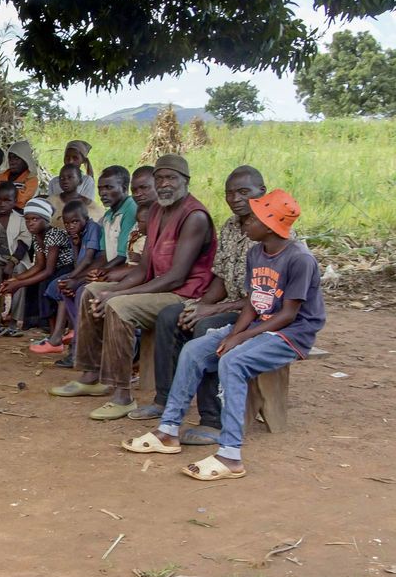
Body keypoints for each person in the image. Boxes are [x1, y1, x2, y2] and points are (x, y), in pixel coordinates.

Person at [122, 189, 325, 481]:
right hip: (262, 324)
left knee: (232, 362)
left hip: (290, 335)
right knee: (194, 351)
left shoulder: (299, 260)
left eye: (252, 219)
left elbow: (288, 315)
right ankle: (168, 431)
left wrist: (240, 339)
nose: (245, 223)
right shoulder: (256, 252)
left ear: (269, 226)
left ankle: (230, 454)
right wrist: (234, 333)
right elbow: (255, 303)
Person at [56, 155, 216, 421]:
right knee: (92, 291)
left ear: (186, 181)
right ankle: (93, 375)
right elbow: (143, 270)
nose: (164, 184)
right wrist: (109, 289)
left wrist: (118, 294)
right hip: (157, 286)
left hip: (184, 294)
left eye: (171, 178)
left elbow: (176, 277)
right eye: (160, 178)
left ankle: (122, 395)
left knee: (119, 307)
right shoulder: (156, 212)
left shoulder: (194, 216)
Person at [129, 166, 269, 438]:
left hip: (257, 315)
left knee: (208, 329)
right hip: (229, 304)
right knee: (171, 315)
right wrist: (199, 305)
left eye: (243, 192)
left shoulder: (270, 231)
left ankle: (213, 420)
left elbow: (261, 299)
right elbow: (220, 277)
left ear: (261, 192)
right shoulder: (230, 226)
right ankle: (165, 399)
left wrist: (210, 311)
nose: (235, 199)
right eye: (230, 193)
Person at [33, 200, 102, 361]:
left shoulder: (93, 228)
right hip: (81, 272)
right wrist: (76, 245)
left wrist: (73, 278)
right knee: (58, 287)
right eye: (67, 223)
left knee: (68, 286)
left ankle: (68, 335)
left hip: (93, 273)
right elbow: (78, 261)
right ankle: (63, 333)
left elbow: (88, 259)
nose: (70, 226)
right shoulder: (75, 235)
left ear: (86, 218)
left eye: (75, 221)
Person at [0, 198, 74, 329]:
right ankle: (35, 321)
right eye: (27, 219)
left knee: (45, 283)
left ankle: (51, 326)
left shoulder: (53, 234)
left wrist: (18, 284)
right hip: (53, 268)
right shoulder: (37, 236)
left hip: (66, 268)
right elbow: (39, 265)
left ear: (46, 220)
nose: (30, 223)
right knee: (32, 285)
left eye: (35, 219)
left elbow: (48, 271)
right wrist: (14, 279)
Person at [0, 182, 31, 338]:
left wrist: (12, 262)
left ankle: (14, 321)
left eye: (7, 200)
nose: (2, 204)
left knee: (20, 276)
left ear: (15, 201)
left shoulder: (20, 219)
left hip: (17, 258)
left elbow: (24, 242)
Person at [85, 166, 139, 284]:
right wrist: (82, 276)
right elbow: (104, 255)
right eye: (100, 188)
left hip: (125, 272)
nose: (103, 193)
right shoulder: (108, 215)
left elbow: (122, 256)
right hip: (110, 268)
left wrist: (96, 273)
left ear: (124, 189)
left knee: (82, 289)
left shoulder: (131, 209)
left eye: (108, 187)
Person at [0, 140, 39, 210]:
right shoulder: (1, 176)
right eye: (10, 158)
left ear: (26, 160)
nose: (12, 162)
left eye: (16, 158)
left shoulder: (31, 179)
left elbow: (21, 201)